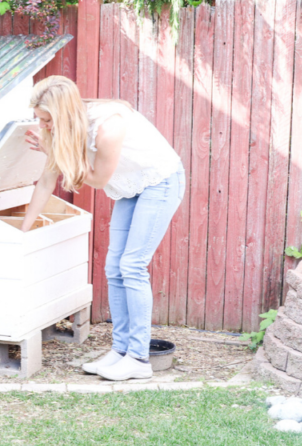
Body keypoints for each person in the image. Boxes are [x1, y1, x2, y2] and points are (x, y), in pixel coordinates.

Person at [21, 76, 185, 381]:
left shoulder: (108, 127)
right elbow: (46, 181)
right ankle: (120, 351)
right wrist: (23, 230)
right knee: (114, 267)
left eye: (46, 120)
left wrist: (51, 149)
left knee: (132, 266)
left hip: (160, 182)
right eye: (39, 119)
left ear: (61, 114)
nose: (42, 126)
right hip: (131, 188)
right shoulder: (63, 128)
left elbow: (96, 180)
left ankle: (138, 357)